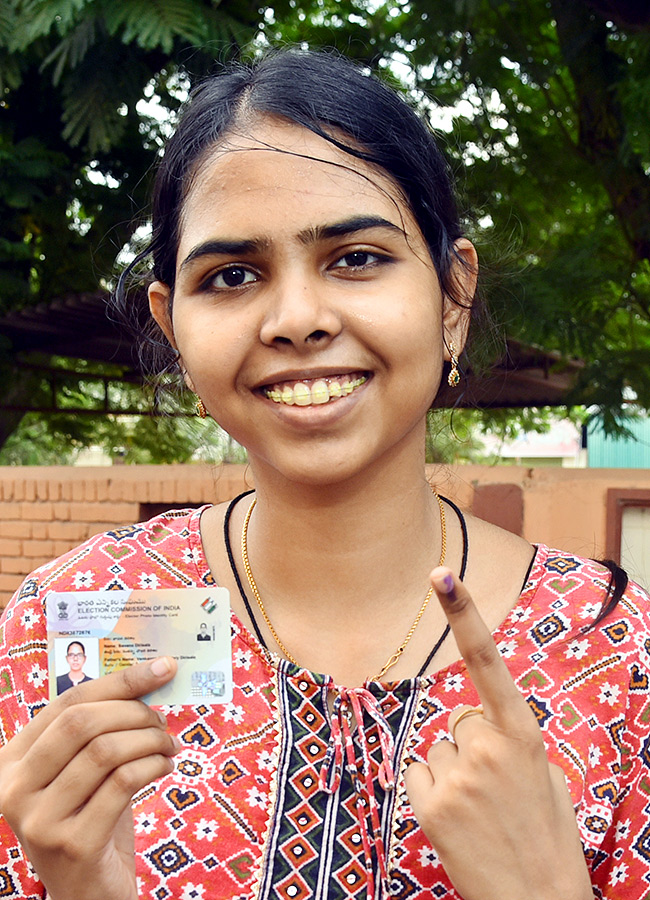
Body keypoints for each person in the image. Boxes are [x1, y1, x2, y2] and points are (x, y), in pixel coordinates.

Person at [0, 49, 647, 900]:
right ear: (175, 326)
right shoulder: (68, 625)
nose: (298, 319)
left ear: (453, 296)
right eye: (232, 276)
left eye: (357, 258)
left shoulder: (616, 658)